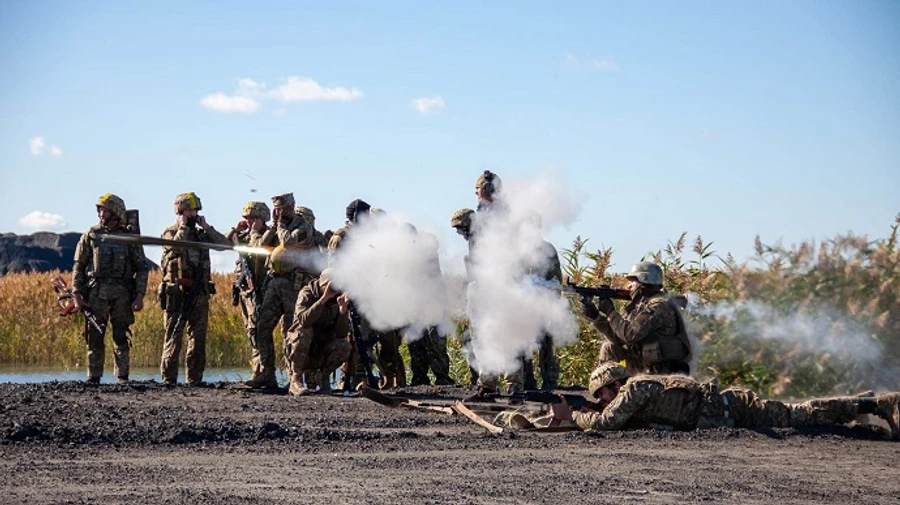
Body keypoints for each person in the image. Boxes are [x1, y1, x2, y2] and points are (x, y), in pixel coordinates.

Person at [547, 362, 900, 440]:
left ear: (614, 384)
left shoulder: (635, 389)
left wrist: (572, 416)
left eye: (604, 393)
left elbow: (608, 424)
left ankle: (871, 405)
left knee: (799, 416)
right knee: (799, 416)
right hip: (728, 405)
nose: (604, 400)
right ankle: (865, 406)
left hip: (727, 409)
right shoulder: (639, 388)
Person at [71, 194, 149, 384]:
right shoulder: (91, 235)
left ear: (115, 212)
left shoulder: (129, 237)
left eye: (103, 209)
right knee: (95, 336)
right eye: (99, 209)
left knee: (120, 335)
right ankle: (94, 377)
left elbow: (141, 268)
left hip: (122, 293)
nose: (100, 213)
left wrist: (139, 296)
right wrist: (76, 294)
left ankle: (122, 377)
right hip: (96, 292)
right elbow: (78, 266)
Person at [247, 193, 322, 389]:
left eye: (282, 209)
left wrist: (279, 226)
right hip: (274, 283)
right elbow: (259, 246)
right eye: (276, 210)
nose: (279, 213)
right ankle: (267, 373)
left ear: (291, 207)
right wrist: (271, 228)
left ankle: (293, 379)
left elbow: (288, 242)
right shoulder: (277, 227)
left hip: (294, 285)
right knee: (262, 327)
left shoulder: (304, 227)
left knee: (292, 331)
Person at [159, 192, 231, 386]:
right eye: (190, 210)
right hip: (177, 294)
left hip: (199, 293)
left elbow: (225, 246)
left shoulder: (201, 234)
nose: (194, 213)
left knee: (197, 339)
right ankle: (168, 379)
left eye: (196, 210)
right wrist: (183, 227)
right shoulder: (170, 232)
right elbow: (174, 249)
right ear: (181, 211)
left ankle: (194, 378)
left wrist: (206, 227)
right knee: (173, 336)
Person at [579, 261, 691, 375]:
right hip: (646, 364)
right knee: (609, 348)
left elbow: (630, 335)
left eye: (633, 281)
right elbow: (619, 338)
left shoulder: (658, 306)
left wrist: (610, 312)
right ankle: (608, 389)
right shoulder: (642, 306)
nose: (629, 286)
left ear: (644, 281)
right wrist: (597, 318)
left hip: (662, 371)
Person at [283, 269, 353, 396]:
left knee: (345, 345)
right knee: (304, 330)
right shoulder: (307, 293)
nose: (334, 291)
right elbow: (303, 321)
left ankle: (322, 377)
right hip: (299, 350)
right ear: (322, 285)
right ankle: (296, 380)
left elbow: (341, 334)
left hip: (320, 348)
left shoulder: (337, 300)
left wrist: (343, 311)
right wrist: (323, 299)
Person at [226, 201, 271, 383]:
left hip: (260, 290)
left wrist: (254, 231)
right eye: (247, 218)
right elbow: (224, 242)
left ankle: (263, 372)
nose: (249, 222)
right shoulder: (244, 235)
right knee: (250, 330)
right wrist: (235, 230)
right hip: (245, 291)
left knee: (259, 330)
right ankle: (257, 370)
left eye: (253, 218)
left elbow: (257, 248)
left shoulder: (267, 235)